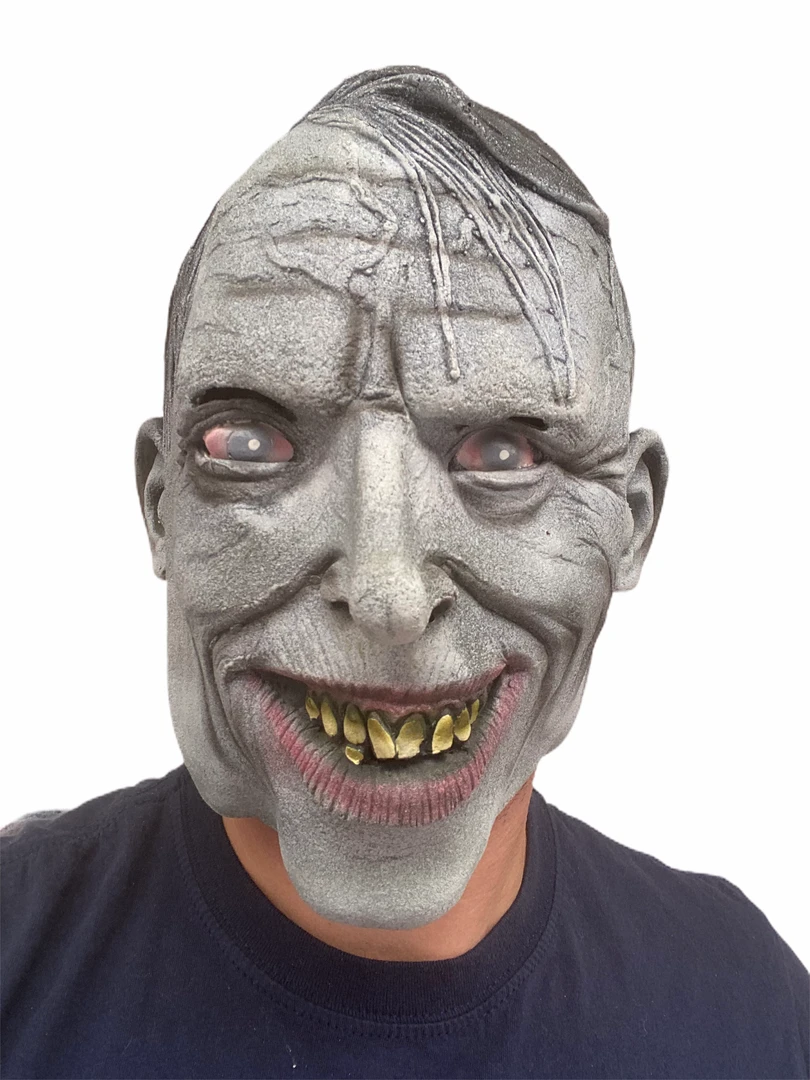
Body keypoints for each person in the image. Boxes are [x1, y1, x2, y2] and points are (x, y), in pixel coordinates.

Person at [2, 66, 807, 1080]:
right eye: (251, 446)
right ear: (160, 504)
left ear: (632, 520)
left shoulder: (748, 1011)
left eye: (505, 454)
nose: (388, 596)